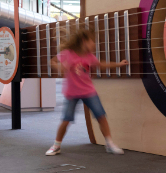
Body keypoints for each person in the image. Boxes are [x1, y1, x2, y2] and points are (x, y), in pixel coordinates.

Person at [45, 28, 128, 156]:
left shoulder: (89, 56)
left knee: (101, 116)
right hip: (72, 93)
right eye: (92, 41)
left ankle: (110, 144)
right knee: (66, 120)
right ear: (84, 41)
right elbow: (52, 61)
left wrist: (119, 64)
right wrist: (59, 67)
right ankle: (56, 146)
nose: (94, 44)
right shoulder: (68, 53)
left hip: (88, 91)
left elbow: (101, 65)